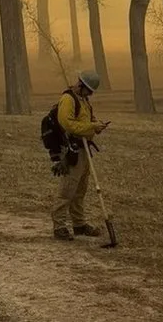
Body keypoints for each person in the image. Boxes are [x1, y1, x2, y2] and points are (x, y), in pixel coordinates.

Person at [51, 70, 108, 241]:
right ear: (81, 85)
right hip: (72, 149)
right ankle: (59, 226)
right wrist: (91, 127)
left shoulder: (84, 100)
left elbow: (87, 119)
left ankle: (79, 224)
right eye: (89, 90)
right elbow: (67, 124)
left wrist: (97, 124)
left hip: (84, 149)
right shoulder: (68, 99)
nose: (90, 94)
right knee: (68, 189)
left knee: (80, 189)